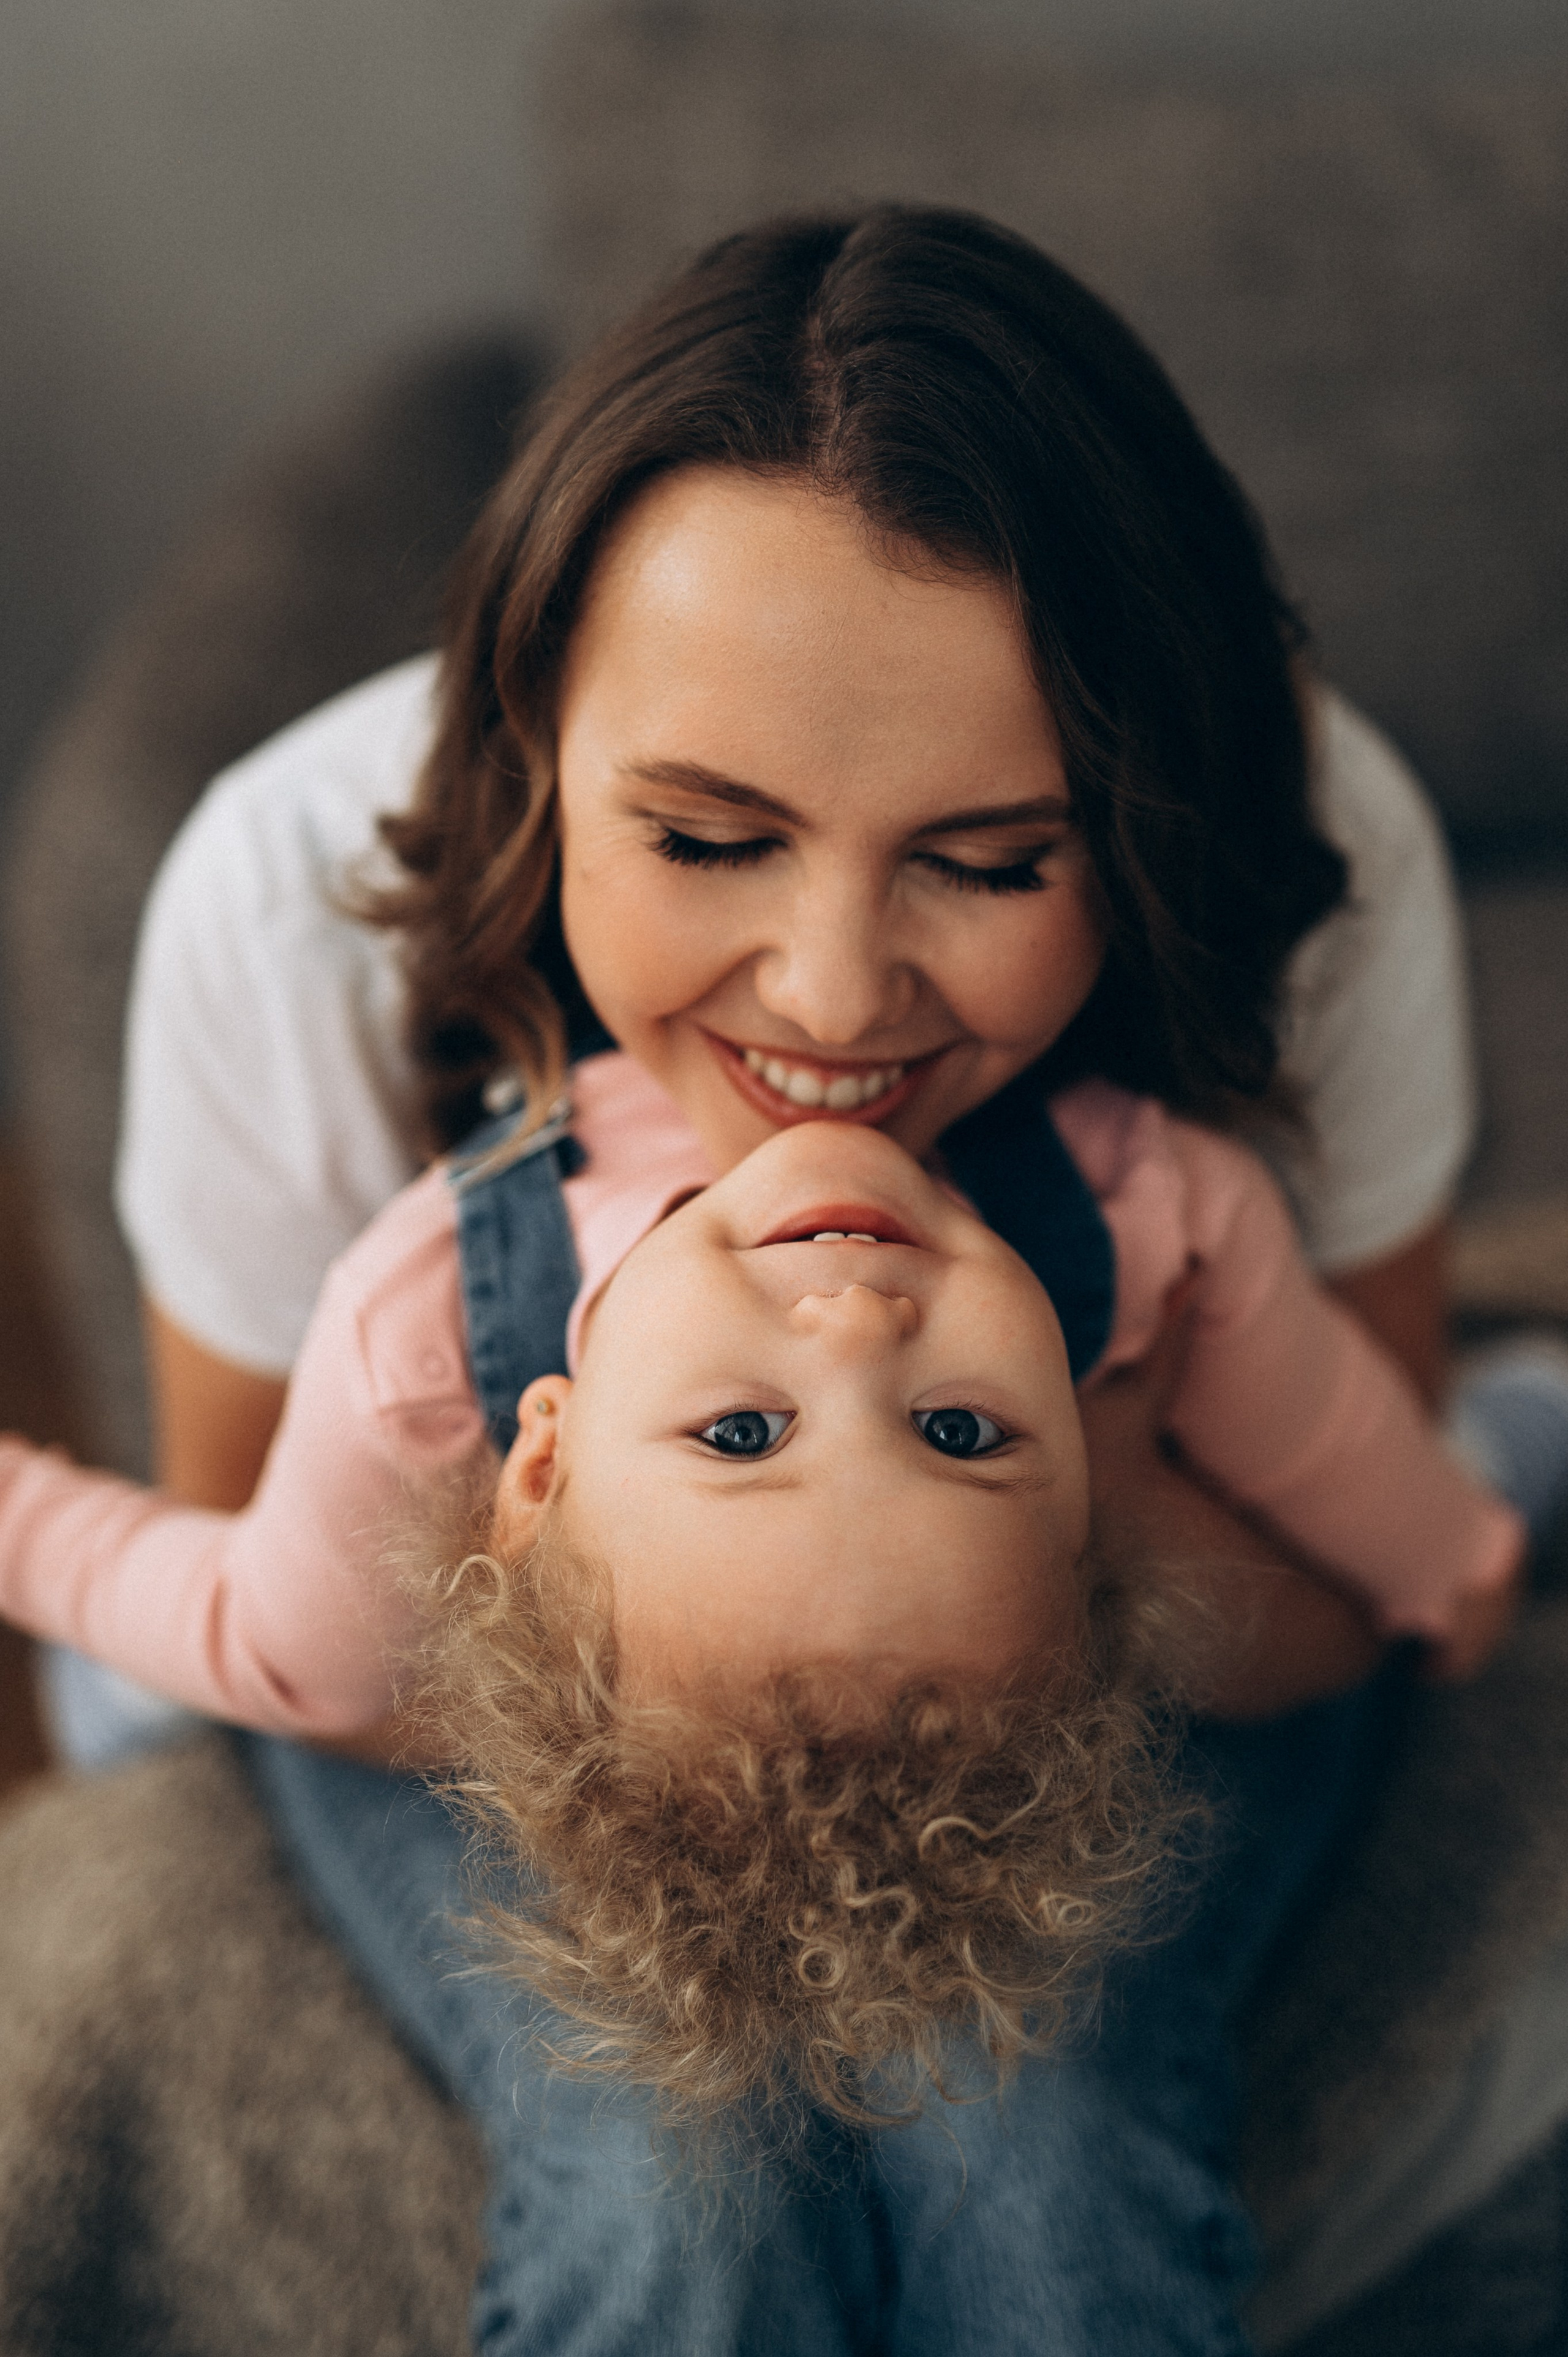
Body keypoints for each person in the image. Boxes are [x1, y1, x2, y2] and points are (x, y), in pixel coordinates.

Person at [50, 205, 1561, 2350]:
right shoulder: (284, 914)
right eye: (706, 836)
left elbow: (1370, 1566)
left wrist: (1045, 1510)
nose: (834, 1004)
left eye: (989, 858)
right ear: (528, 729)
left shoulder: (1305, 884)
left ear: (1133, 841)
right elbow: (293, 1617)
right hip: (535, 1675)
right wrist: (651, 1645)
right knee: (677, 2177)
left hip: (1087, 1611)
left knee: (1040, 2158)